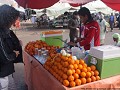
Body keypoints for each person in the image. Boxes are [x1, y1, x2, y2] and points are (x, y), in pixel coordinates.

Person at [0, 5, 23, 90]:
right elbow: (5, 57)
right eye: (13, 19)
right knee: (4, 86)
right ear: (7, 19)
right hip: (2, 71)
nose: (14, 22)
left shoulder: (7, 30)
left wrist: (17, 43)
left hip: (8, 69)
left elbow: (10, 44)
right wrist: (15, 54)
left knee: (12, 85)